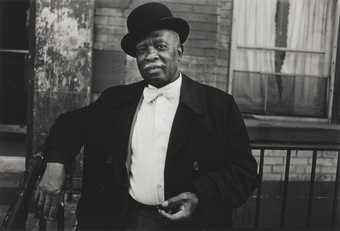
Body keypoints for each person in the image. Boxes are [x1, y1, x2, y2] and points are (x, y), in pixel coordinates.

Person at [35, 2, 258, 230]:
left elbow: (245, 171)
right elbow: (69, 124)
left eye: (160, 46)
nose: (151, 55)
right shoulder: (116, 100)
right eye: (142, 50)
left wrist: (199, 195)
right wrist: (56, 163)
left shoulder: (218, 105)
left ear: (179, 51)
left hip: (192, 223)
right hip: (127, 219)